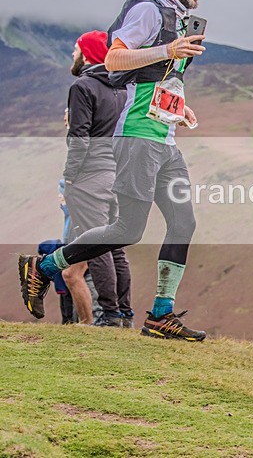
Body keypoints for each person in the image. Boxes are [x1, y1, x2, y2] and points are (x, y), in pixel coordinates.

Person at [19, 0, 208, 341]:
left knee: (183, 222)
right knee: (127, 229)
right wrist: (167, 49)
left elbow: (161, 78)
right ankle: (44, 267)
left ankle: (160, 314)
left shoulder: (179, 17)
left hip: (164, 136)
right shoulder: (147, 10)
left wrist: (180, 107)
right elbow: (114, 60)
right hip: (136, 136)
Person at [62, 30, 134, 327]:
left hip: (92, 175)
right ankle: (125, 313)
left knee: (95, 244)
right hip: (120, 175)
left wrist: (70, 178)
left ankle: (108, 316)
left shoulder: (84, 86)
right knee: (115, 246)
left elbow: (78, 139)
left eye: (76, 50)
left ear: (88, 53)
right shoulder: (125, 88)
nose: (73, 55)